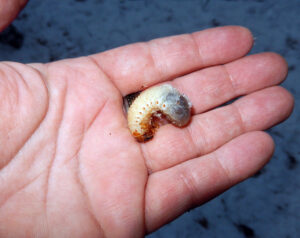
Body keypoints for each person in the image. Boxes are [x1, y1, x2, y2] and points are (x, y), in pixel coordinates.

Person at [0, 1, 294, 237]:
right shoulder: (144, 116)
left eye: (145, 130)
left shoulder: (150, 112)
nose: (147, 129)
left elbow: (153, 109)